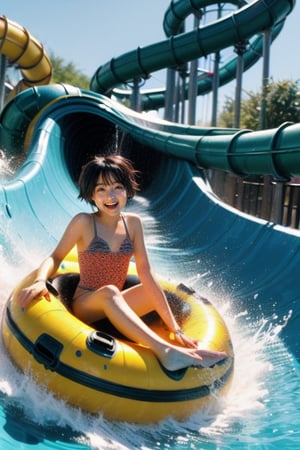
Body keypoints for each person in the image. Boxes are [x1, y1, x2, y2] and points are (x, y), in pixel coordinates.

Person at [18, 154, 227, 371]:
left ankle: (177, 344)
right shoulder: (84, 222)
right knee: (109, 291)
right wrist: (41, 280)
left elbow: (145, 272)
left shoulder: (133, 224)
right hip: (88, 304)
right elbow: (56, 257)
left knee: (152, 290)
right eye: (101, 189)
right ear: (91, 194)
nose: (111, 195)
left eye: (117, 187)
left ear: (126, 189)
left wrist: (176, 329)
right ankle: (166, 351)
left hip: (117, 306)